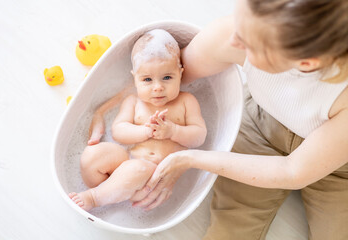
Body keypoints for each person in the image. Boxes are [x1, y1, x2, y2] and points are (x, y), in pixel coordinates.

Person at [131, 0, 348, 239]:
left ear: (305, 64)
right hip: (262, 125)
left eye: (249, 43)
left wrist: (191, 158)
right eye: (240, 21)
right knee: (230, 232)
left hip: (339, 166)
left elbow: (292, 172)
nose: (234, 40)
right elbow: (165, 77)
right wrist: (107, 109)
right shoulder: (239, 29)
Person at [68, 29, 207, 211]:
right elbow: (118, 132)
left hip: (153, 177)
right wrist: (144, 131)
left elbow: (199, 136)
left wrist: (174, 131)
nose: (157, 87)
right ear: (135, 79)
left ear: (180, 74)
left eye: (167, 77)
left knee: (137, 169)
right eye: (147, 79)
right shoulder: (133, 101)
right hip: (128, 161)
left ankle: (95, 198)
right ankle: (108, 188)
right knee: (91, 156)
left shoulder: (186, 101)